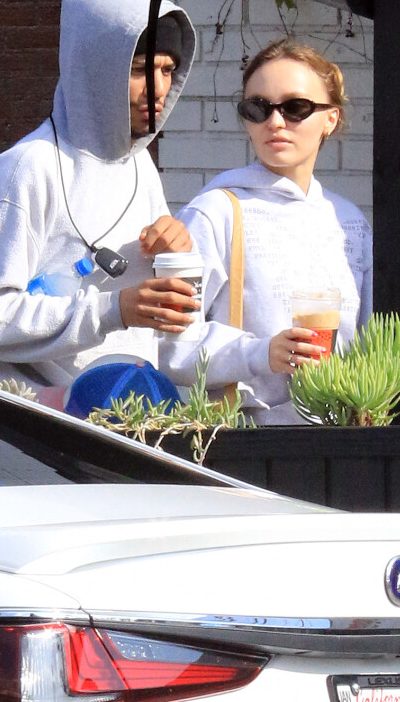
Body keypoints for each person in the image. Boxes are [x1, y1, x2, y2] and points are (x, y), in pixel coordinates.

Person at [0, 0, 200, 393]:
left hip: (130, 418)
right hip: (41, 436)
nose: (158, 88)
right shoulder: (27, 168)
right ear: (96, 70)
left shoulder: (140, 167)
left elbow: (164, 324)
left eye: (168, 69)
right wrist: (112, 310)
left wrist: (176, 253)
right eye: (139, 69)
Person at [160, 39, 373, 425]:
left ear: (331, 118)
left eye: (295, 107)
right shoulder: (215, 212)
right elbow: (172, 348)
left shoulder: (350, 222)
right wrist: (261, 352)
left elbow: (370, 342)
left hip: (342, 441)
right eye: (258, 108)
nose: (275, 122)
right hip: (247, 443)